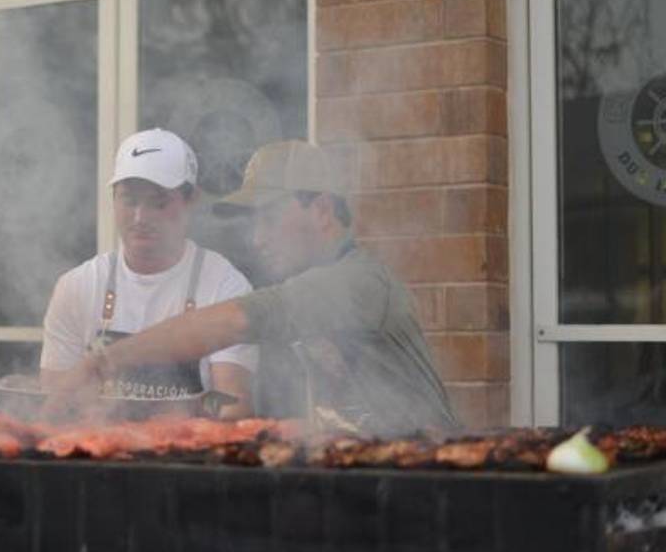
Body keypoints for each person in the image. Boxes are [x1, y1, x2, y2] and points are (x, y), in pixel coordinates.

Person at [56, 140, 459, 436]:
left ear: (321, 210)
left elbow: (233, 322)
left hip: (424, 475)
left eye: (268, 218)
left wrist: (104, 361)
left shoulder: (353, 281)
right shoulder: (316, 285)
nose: (257, 238)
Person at [40, 128, 258, 418]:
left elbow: (234, 405)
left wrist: (181, 410)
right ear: (113, 199)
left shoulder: (225, 286)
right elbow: (52, 407)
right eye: (129, 201)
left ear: (191, 200)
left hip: (189, 446)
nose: (140, 217)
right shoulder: (78, 286)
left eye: (158, 202)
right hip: (97, 443)